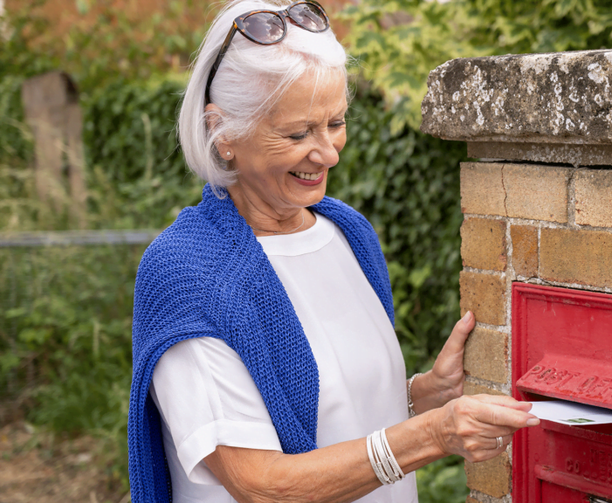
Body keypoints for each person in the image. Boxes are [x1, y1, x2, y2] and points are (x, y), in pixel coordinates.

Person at [126, 1, 539, 502]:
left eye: (336, 122)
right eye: (298, 133)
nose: (328, 153)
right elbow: (260, 485)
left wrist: (425, 397)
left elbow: (332, 418)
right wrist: (432, 435)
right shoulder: (189, 275)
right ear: (224, 133)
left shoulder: (347, 231)